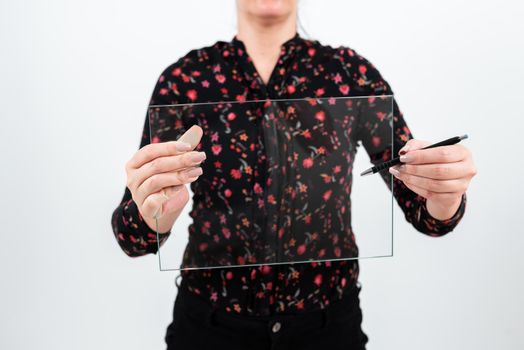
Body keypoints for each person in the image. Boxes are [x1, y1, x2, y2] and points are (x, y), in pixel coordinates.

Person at [111, 1, 477, 349]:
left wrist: (444, 192)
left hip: (327, 330)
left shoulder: (351, 75)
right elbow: (133, 238)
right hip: (210, 328)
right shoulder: (186, 79)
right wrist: (152, 212)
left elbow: (428, 216)